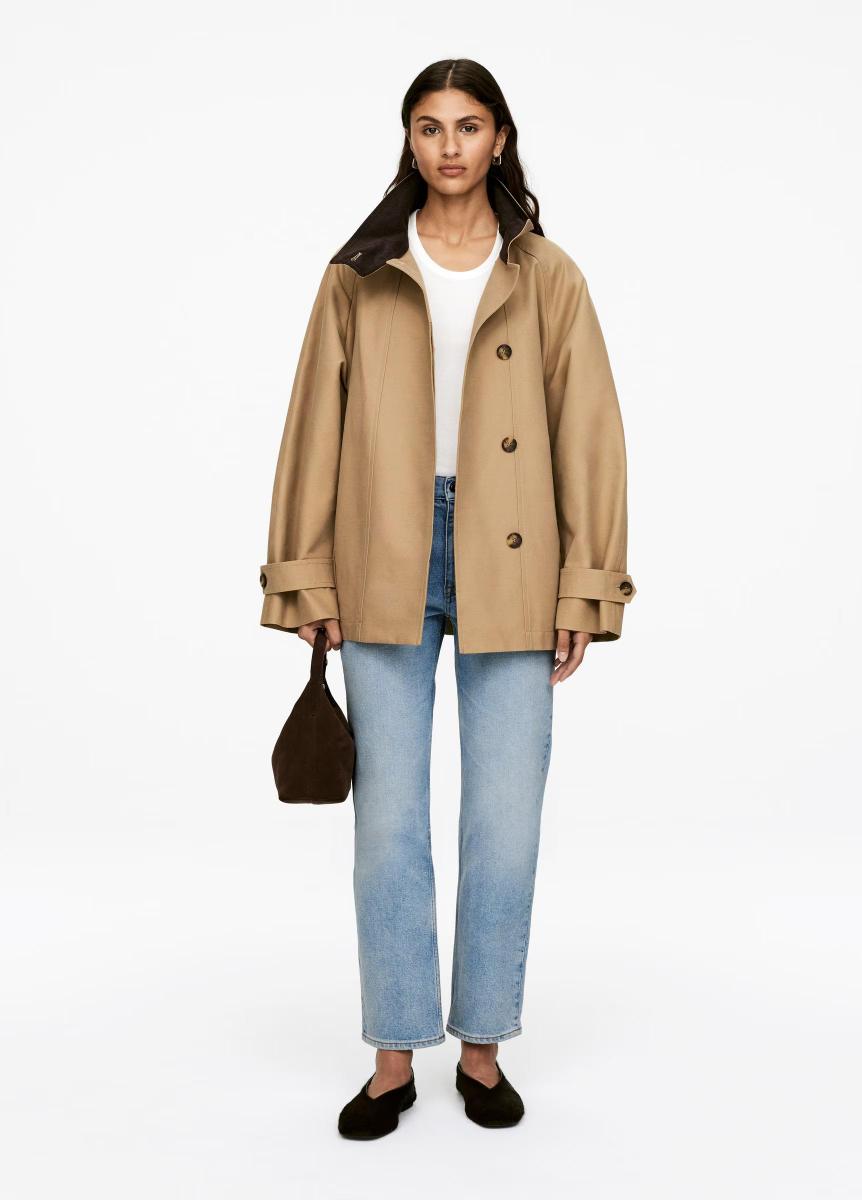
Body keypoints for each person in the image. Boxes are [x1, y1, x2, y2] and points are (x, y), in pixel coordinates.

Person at [259, 58, 637, 1139]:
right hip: (384, 550)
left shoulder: (547, 273)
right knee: (388, 824)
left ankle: (481, 1049)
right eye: (430, 127)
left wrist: (586, 584)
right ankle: (393, 1057)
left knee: (505, 821)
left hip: (514, 551)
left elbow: (590, 432)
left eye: (469, 126)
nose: (450, 146)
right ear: (410, 141)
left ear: (500, 137)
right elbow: (312, 429)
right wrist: (306, 574)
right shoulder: (360, 271)